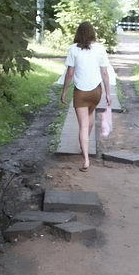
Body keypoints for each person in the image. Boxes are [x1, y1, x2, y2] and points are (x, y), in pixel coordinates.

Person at [60, 22, 111, 171]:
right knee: (89, 120)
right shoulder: (100, 49)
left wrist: (64, 91)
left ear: (78, 33)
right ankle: (85, 144)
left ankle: (86, 159)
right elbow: (105, 73)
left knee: (83, 125)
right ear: (92, 33)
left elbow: (70, 73)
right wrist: (108, 93)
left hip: (81, 93)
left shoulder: (73, 49)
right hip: (96, 91)